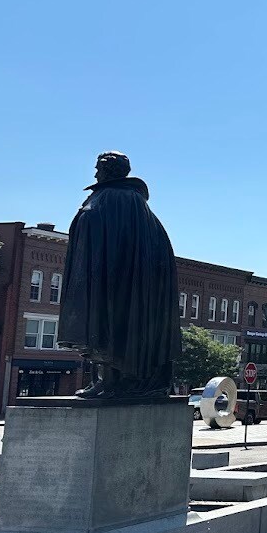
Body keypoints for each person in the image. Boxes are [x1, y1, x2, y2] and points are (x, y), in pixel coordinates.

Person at [58, 151, 181, 399]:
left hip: (111, 277)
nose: (95, 173)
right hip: (130, 280)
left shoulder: (111, 198)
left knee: (107, 324)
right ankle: (110, 381)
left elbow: (93, 223)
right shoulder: (137, 204)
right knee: (114, 326)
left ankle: (110, 382)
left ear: (107, 170)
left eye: (98, 168)